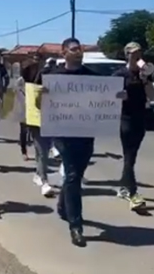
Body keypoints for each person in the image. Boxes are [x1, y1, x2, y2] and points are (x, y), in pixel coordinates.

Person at [41, 37, 102, 247]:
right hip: (62, 133)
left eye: (81, 49)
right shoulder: (53, 77)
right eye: (74, 49)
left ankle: (62, 205)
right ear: (63, 53)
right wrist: (43, 96)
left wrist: (116, 96)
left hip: (86, 134)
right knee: (73, 175)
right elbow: (39, 104)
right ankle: (76, 227)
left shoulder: (92, 77)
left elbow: (104, 100)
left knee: (75, 175)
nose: (79, 52)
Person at [113, 42, 154, 211]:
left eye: (140, 53)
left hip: (140, 119)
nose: (137, 56)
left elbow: (152, 96)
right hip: (125, 119)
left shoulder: (144, 73)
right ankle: (133, 194)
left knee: (131, 156)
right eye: (134, 53)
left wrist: (146, 80)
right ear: (127, 55)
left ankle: (123, 187)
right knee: (129, 156)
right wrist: (118, 96)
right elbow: (108, 96)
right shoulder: (119, 74)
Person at [24, 61, 53, 197]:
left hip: (53, 122)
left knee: (43, 149)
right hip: (37, 122)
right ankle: (44, 180)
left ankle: (38, 173)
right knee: (43, 151)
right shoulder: (33, 90)